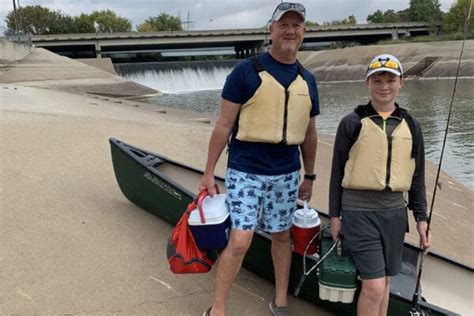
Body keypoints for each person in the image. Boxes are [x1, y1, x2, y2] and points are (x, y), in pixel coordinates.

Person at [199, 3, 319, 316]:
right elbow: (224, 124)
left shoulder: (308, 80)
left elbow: (309, 132)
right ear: (271, 29)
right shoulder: (245, 72)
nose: (290, 30)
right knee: (240, 239)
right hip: (246, 170)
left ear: (304, 31)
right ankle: (218, 308)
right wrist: (209, 172)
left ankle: (280, 301)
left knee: (282, 236)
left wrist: (311, 176)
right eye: (284, 24)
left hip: (287, 172)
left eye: (297, 25)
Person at [329, 54, 431, 316]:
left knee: (385, 282)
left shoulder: (412, 125)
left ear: (401, 83)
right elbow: (337, 173)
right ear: (368, 83)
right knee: (373, 286)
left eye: (390, 79)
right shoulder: (351, 123)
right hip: (359, 213)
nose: (384, 86)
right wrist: (335, 215)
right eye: (378, 80)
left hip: (395, 214)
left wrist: (421, 218)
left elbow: (416, 177)